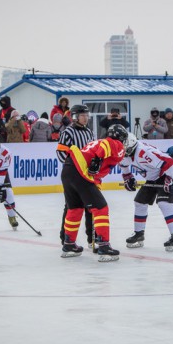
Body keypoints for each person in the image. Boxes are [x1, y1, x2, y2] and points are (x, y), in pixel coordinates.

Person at [59, 123, 127, 262]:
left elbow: (95, 174)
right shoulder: (115, 144)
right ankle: (103, 246)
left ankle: (69, 244)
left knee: (75, 209)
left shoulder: (96, 142)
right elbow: (106, 146)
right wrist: (97, 160)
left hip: (68, 169)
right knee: (101, 208)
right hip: (80, 173)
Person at [120, 134, 173, 252]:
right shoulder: (126, 152)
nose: (122, 151)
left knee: (164, 203)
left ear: (131, 146)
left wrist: (169, 179)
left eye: (124, 149)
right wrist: (127, 176)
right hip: (155, 175)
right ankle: (139, 234)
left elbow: (169, 162)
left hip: (170, 170)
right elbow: (123, 164)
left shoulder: (144, 152)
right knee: (139, 202)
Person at [56, 104, 95, 248]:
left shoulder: (89, 132)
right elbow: (61, 153)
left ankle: (92, 238)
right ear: (75, 117)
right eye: (82, 115)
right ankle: (65, 237)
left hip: (87, 174)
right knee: (71, 206)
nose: (86, 118)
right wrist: (74, 165)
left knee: (91, 205)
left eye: (87, 115)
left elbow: (93, 151)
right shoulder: (68, 132)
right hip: (73, 175)